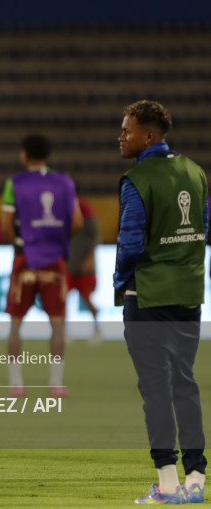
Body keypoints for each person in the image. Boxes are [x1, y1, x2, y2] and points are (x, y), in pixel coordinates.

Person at [113, 100, 207, 504]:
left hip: (148, 294)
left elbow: (131, 242)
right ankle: (197, 479)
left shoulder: (138, 179)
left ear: (148, 136)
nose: (121, 137)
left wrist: (120, 281)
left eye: (127, 130)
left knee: (155, 387)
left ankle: (167, 485)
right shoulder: (195, 172)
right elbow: (203, 228)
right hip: (188, 294)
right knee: (184, 382)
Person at [0, 134, 82, 399]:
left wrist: (19, 243)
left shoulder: (15, 183)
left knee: (15, 323)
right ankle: (56, 385)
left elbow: (6, 224)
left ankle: (16, 384)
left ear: (24, 155)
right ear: (47, 155)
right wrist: (57, 241)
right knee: (57, 324)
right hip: (54, 260)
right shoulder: (65, 182)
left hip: (25, 257)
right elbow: (77, 221)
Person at [65, 194, 102, 345]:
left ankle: (97, 330)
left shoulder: (86, 210)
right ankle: (64, 332)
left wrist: (89, 259)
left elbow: (95, 237)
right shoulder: (63, 209)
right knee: (63, 299)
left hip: (85, 266)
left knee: (87, 299)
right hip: (69, 263)